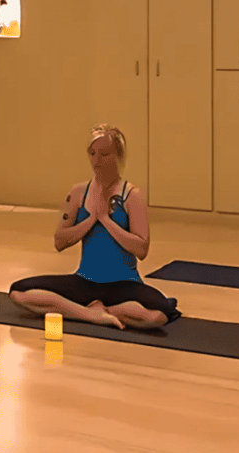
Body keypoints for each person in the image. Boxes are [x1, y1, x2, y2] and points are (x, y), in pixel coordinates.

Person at [9, 125, 179, 331]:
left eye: (104, 154)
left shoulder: (132, 195)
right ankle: (92, 315)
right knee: (18, 292)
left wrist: (106, 220)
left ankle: (96, 310)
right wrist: (90, 221)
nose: (96, 161)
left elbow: (142, 249)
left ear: (119, 156)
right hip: (84, 281)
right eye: (92, 154)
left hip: (123, 284)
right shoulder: (79, 192)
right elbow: (59, 241)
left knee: (157, 316)